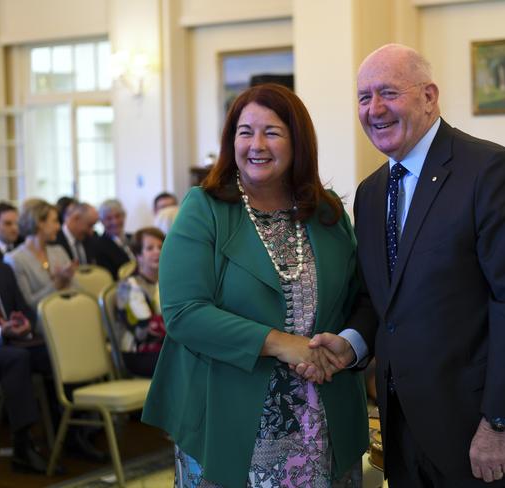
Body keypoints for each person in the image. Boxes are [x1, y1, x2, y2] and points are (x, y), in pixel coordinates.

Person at [300, 44, 505, 487]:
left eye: (387, 92)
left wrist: (498, 422)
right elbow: (380, 298)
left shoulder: (491, 171)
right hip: (405, 431)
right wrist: (352, 343)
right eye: (363, 97)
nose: (374, 109)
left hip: (482, 432)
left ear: (429, 97)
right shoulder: (371, 194)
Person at [142, 83, 371, 487]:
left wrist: (349, 344)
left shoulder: (328, 211)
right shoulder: (205, 209)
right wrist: (283, 342)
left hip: (323, 419)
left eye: (272, 132)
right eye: (245, 132)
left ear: (297, 140)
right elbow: (183, 314)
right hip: (231, 417)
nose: (256, 144)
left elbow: (363, 298)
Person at [0, 261, 55, 474]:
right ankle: (22, 445)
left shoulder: (3, 268)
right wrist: (2, 332)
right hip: (6, 344)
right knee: (17, 359)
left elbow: (23, 307)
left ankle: (71, 432)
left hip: (13, 340)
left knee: (54, 352)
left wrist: (26, 323)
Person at [5, 199, 77, 314]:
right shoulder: (14, 260)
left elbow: (77, 292)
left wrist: (68, 280)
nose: (59, 227)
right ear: (39, 223)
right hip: (41, 325)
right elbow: (28, 305)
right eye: (55, 221)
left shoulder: (59, 251)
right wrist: (57, 284)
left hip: (70, 313)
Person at [115, 227, 166, 377]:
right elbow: (143, 331)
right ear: (138, 255)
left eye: (160, 247)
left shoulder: (167, 281)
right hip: (138, 354)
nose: (157, 251)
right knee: (188, 360)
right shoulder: (129, 286)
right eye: (150, 248)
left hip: (165, 348)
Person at [94, 199, 135, 280]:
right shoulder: (98, 245)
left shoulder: (134, 238)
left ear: (124, 216)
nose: (115, 222)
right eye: (109, 218)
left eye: (118, 216)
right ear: (102, 221)